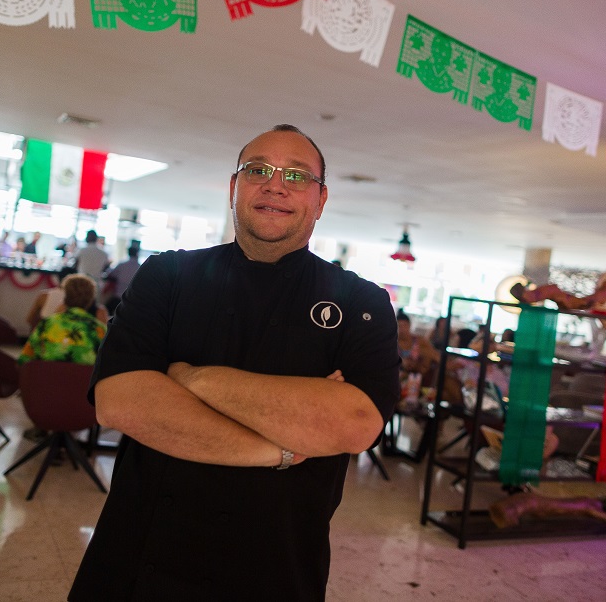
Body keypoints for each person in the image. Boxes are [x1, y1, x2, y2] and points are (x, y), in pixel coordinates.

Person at [68, 124, 400, 599]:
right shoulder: (168, 275)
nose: (276, 184)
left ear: (321, 200)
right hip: (139, 558)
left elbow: (353, 423)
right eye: (258, 170)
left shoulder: (361, 302)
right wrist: (280, 449)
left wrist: (188, 377)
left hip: (278, 568)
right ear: (234, 187)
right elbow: (120, 403)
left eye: (297, 176)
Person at [18, 274, 107, 366]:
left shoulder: (48, 323)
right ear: (90, 300)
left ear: (65, 296)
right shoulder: (99, 329)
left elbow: (26, 358)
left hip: (47, 376)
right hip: (83, 378)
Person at [510, 278, 606, 312]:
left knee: (587, 301)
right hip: (564, 300)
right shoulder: (532, 296)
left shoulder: (533, 295)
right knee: (587, 301)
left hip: (564, 299)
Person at [102, 241, 141, 315]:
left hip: (117, 297)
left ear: (128, 252)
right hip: (130, 301)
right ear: (137, 253)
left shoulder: (122, 264)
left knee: (107, 313)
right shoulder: (140, 267)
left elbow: (110, 274)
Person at [75, 230, 108, 295]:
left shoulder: (81, 250)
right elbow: (105, 268)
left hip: (81, 281)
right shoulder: (103, 253)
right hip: (96, 284)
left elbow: (76, 264)